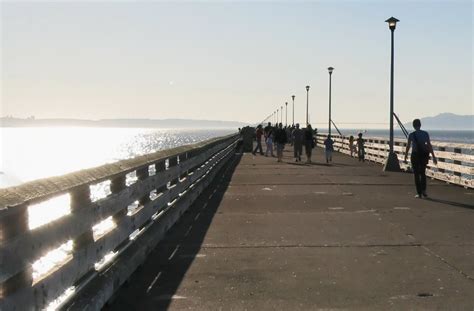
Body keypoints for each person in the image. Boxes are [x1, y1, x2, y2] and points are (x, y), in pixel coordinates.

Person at [404, 119, 437, 198]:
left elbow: (408, 146)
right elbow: (429, 145)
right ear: (420, 125)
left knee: (416, 174)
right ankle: (424, 191)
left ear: (413, 125)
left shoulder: (411, 135)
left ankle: (419, 193)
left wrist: (405, 156)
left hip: (415, 155)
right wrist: (433, 156)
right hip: (424, 155)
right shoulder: (425, 134)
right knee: (423, 173)